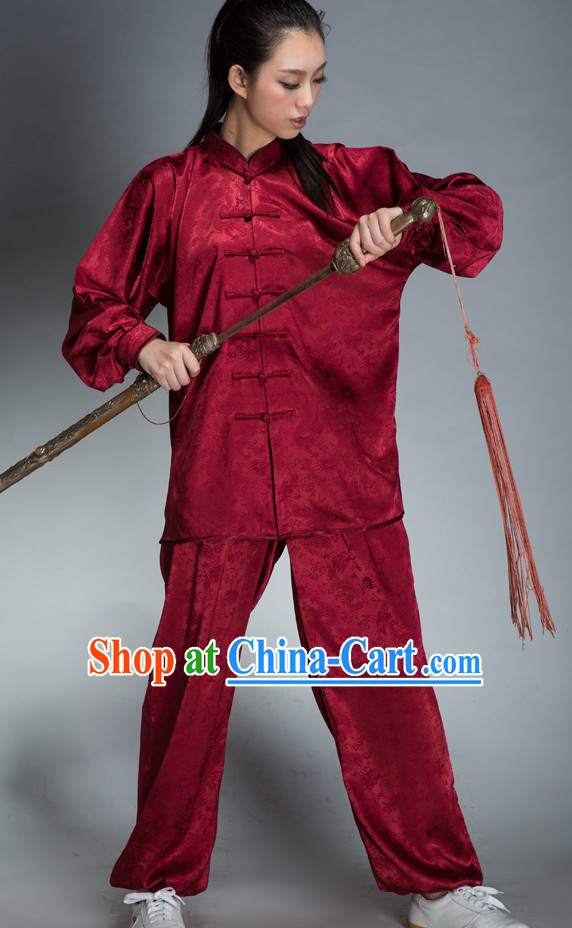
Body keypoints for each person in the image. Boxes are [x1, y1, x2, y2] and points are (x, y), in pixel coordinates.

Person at [62, 2, 529, 926]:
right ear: (238, 79)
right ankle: (158, 881)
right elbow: (94, 307)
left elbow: (476, 213)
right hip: (221, 471)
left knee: (382, 675)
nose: (308, 98)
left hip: (343, 471)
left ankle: (438, 883)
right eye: (289, 80)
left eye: (318, 79)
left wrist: (406, 215)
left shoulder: (355, 178)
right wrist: (144, 345)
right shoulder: (168, 190)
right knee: (189, 676)